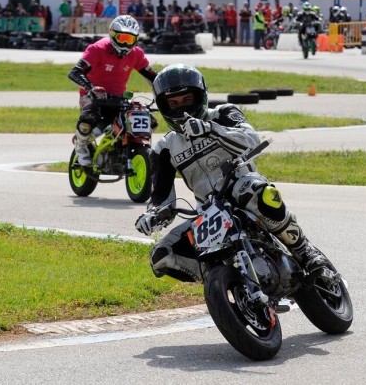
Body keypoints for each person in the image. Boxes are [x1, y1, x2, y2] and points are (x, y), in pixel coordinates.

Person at [135, 64, 328, 282]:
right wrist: (153, 213)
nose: (180, 108)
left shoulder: (224, 113)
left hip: (242, 189)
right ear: (163, 106)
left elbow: (251, 140)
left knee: (255, 190)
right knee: (161, 255)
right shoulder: (164, 148)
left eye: (186, 100)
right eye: (173, 103)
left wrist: (211, 130)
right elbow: (161, 194)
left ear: (200, 96)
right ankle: (221, 278)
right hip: (209, 212)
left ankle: (304, 250)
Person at [67, 15, 158, 166]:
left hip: (118, 98)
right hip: (92, 96)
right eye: (122, 38)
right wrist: (91, 87)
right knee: (88, 120)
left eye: (129, 40)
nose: (124, 43)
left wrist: (166, 90)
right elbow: (74, 72)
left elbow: (152, 76)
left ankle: (115, 146)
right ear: (112, 34)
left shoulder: (136, 53)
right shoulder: (97, 49)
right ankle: (81, 145)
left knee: (150, 122)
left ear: (135, 40)